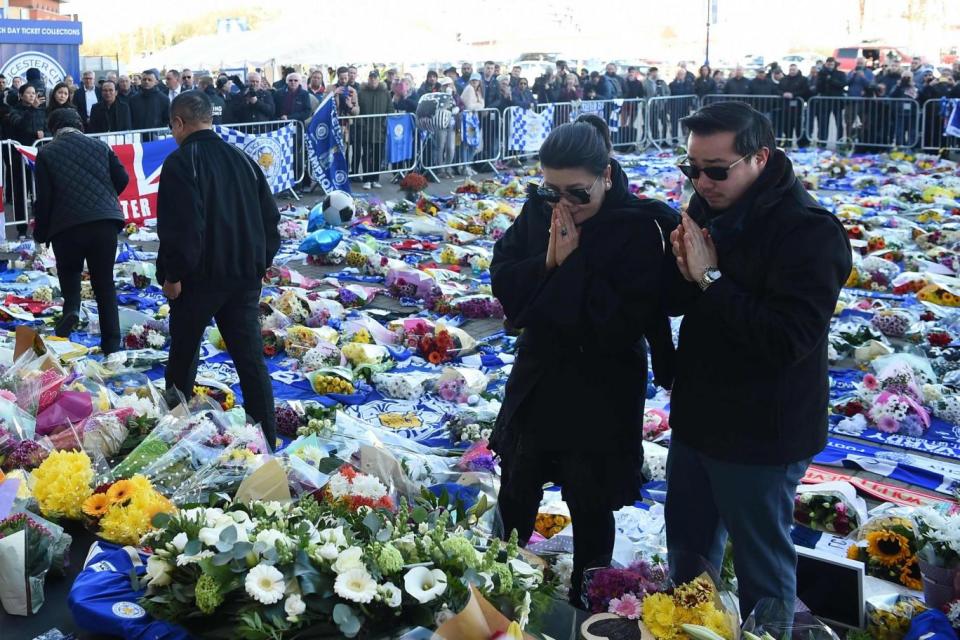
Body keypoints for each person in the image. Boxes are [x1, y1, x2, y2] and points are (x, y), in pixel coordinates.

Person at [667, 102, 851, 621]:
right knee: (687, 556)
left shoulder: (809, 231)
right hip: (700, 418)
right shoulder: (711, 204)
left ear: (759, 159)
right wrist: (678, 269)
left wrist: (709, 279)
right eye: (692, 168)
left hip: (762, 434)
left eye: (716, 170)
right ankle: (688, 630)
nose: (701, 182)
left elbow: (786, 339)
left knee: (762, 572)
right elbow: (686, 301)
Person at [490, 114, 679, 608]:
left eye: (577, 192)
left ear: (607, 177)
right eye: (552, 189)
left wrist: (566, 269)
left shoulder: (637, 227)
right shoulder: (539, 212)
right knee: (516, 489)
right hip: (542, 376)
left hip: (602, 387)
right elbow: (507, 285)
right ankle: (496, 590)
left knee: (591, 504)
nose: (564, 204)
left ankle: (588, 605)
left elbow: (618, 322)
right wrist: (549, 262)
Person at [156, 91, 280, 449]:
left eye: (173, 127)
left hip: (199, 281)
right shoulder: (243, 159)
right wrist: (261, 263)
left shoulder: (182, 162)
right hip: (243, 279)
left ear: (178, 123)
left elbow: (181, 228)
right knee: (250, 362)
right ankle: (266, 442)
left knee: (182, 359)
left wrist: (173, 274)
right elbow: (271, 221)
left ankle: (173, 437)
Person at [32, 108, 128, 354]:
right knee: (105, 283)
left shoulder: (46, 153)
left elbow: (44, 200)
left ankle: (72, 309)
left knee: (70, 272)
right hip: (105, 222)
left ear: (54, 129)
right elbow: (123, 178)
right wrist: (105, 198)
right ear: (80, 125)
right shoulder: (101, 146)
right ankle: (111, 343)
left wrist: (41, 234)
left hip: (67, 227)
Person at [357, 70, 392, 189]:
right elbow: (358, 110)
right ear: (368, 79)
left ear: (378, 79)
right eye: (371, 77)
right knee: (366, 154)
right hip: (366, 130)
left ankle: (375, 179)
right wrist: (362, 123)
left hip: (380, 130)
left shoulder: (385, 93)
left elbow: (390, 109)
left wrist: (385, 124)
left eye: (375, 77)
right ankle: (366, 179)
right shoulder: (361, 92)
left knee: (378, 155)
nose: (373, 80)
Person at [814, 57, 847, 145]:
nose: (830, 66)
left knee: (839, 123)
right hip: (825, 102)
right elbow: (818, 87)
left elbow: (842, 84)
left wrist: (831, 79)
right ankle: (822, 141)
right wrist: (823, 78)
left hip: (837, 102)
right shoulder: (821, 74)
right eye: (828, 64)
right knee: (823, 123)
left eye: (831, 64)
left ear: (834, 64)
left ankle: (839, 142)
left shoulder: (840, 74)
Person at [460, 72, 485, 176]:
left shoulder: (478, 91)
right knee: (467, 144)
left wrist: (479, 105)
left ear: (479, 82)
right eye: (473, 80)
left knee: (473, 145)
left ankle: (466, 165)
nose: (475, 82)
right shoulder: (469, 89)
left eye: (476, 80)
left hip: (472, 120)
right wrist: (478, 105)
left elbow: (483, 105)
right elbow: (470, 106)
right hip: (466, 119)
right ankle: (465, 166)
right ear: (470, 81)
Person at [779, 64, 809, 146]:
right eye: (790, 69)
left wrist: (793, 95)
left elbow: (805, 90)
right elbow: (778, 89)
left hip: (799, 107)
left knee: (799, 126)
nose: (792, 71)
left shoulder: (803, 79)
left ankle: (801, 143)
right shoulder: (784, 79)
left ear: (797, 70)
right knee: (787, 125)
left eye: (793, 69)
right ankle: (788, 141)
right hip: (786, 107)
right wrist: (783, 94)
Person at [668, 67, 695, 145]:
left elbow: (691, 94)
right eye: (679, 74)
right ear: (677, 75)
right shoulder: (672, 84)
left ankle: (685, 140)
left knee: (685, 124)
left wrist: (690, 105)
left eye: (683, 74)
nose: (681, 75)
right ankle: (674, 140)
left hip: (685, 106)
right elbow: (670, 95)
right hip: (675, 106)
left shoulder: (689, 84)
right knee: (674, 124)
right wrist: (669, 107)